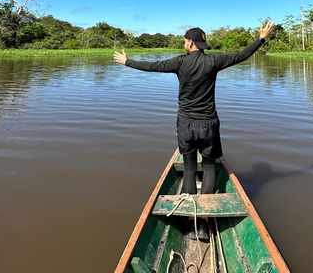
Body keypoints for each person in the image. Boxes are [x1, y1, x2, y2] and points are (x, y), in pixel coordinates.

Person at [114, 21, 275, 239]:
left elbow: (153, 66)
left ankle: (191, 223)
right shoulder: (214, 61)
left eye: (184, 42)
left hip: (186, 124)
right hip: (208, 124)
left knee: (189, 169)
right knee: (209, 168)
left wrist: (127, 62)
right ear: (201, 43)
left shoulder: (179, 62)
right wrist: (261, 39)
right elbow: (241, 55)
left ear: (190, 43)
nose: (184, 44)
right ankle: (204, 224)